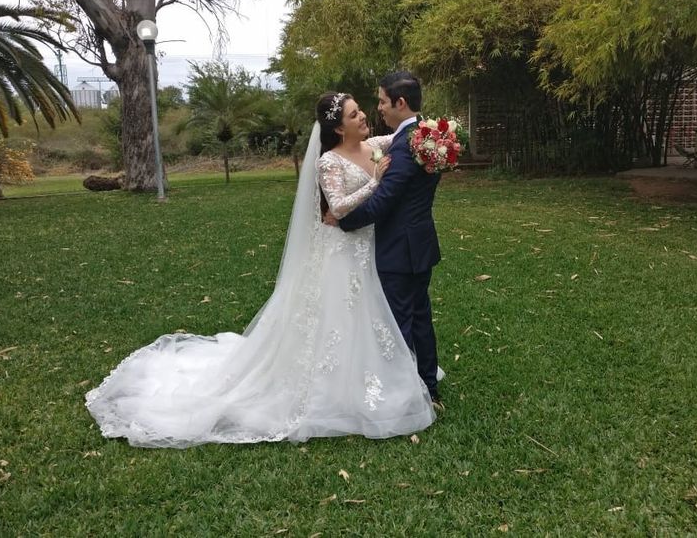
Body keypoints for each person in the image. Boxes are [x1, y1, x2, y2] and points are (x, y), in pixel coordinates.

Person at [84, 92, 435, 448]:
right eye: (354, 114)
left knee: (369, 315)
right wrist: (375, 183)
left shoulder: (375, 144)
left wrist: (440, 137)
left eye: (361, 110)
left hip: (368, 249)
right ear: (339, 128)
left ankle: (374, 373)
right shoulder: (329, 161)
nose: (363, 116)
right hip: (340, 252)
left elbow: (408, 133)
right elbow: (339, 209)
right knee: (335, 316)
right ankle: (331, 387)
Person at [331, 72, 443, 404]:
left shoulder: (409, 146)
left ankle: (405, 396)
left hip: (400, 249)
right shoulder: (429, 135)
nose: (377, 107)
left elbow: (383, 200)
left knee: (400, 323)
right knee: (421, 317)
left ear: (400, 103)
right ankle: (428, 386)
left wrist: (346, 223)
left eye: (381, 101)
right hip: (420, 242)